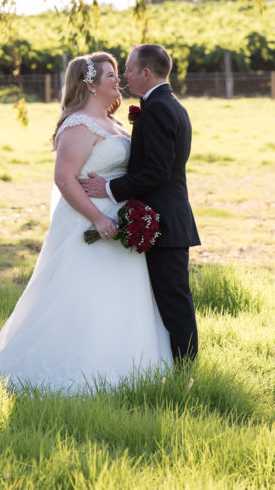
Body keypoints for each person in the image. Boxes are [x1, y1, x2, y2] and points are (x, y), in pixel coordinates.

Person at [0, 52, 172, 392]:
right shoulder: (78, 125)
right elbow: (65, 178)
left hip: (119, 229)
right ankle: (78, 369)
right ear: (90, 84)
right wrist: (98, 218)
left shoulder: (114, 125)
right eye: (110, 75)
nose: (118, 80)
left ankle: (129, 369)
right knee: (86, 297)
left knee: (119, 298)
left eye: (118, 74)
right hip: (90, 226)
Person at [79, 43, 200, 361]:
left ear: (146, 73)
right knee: (168, 300)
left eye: (129, 70)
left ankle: (185, 371)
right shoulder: (165, 103)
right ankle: (174, 366)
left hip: (166, 222)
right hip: (166, 219)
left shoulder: (158, 108)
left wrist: (109, 187)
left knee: (173, 302)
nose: (125, 76)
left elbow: (157, 172)